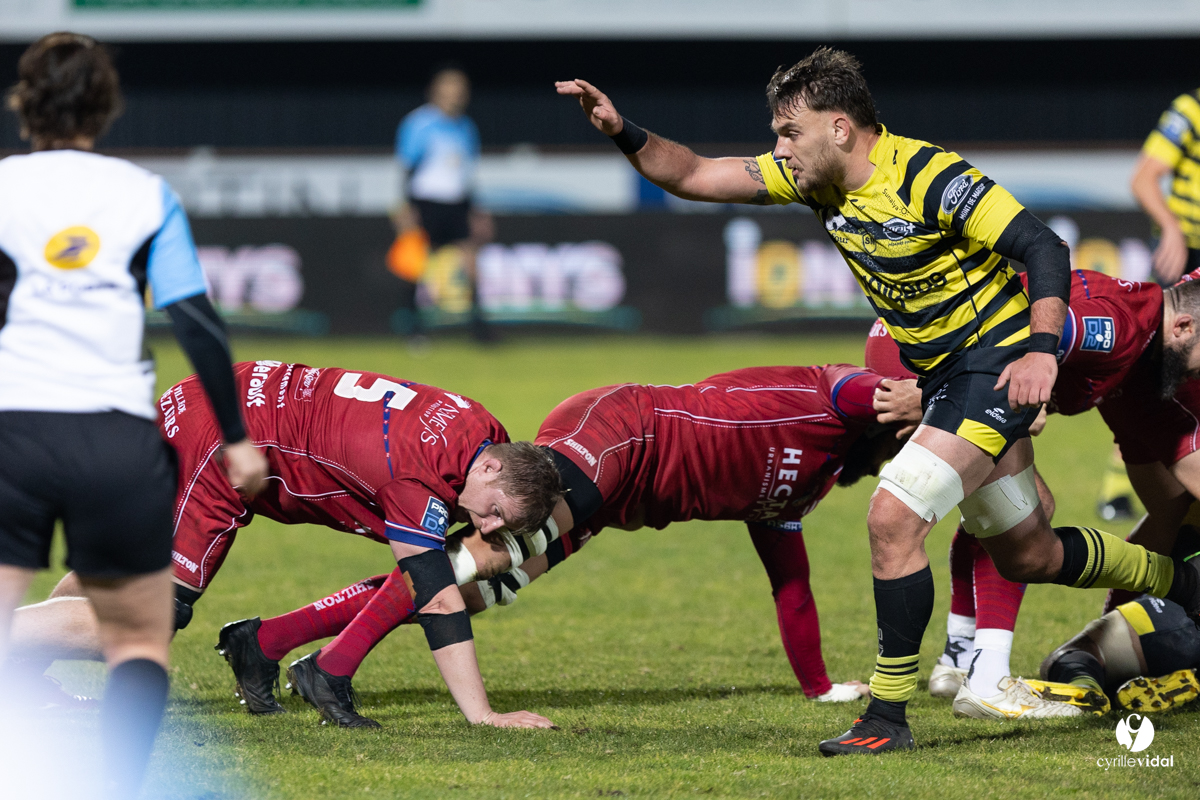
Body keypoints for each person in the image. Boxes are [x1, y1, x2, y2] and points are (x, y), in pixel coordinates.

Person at [556, 47, 1200, 756]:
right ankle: (1177, 580)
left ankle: (886, 716)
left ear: (838, 128)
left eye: (788, 132)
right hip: (946, 379)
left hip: (989, 367)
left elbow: (1042, 245)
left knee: (893, 517)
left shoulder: (929, 176)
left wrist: (1042, 351)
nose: (779, 149)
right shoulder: (817, 181)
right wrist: (621, 129)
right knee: (1029, 554)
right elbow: (690, 173)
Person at [199, 363, 910, 720]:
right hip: (623, 431)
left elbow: (790, 582)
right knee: (474, 561)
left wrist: (817, 687)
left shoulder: (810, 486)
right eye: (909, 440)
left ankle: (265, 643)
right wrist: (947, 395)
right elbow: (859, 385)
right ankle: (328, 669)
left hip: (615, 501)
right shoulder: (834, 402)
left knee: (474, 592)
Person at [0, 33, 268, 799]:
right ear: (106, 106)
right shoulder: (143, 194)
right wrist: (239, 440)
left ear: (24, 104)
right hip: (114, 435)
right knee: (138, 636)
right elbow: (195, 322)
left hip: (15, 425)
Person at [9, 360, 562, 730]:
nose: (486, 529)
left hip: (219, 394)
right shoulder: (416, 482)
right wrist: (483, 715)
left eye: (499, 526)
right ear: (490, 467)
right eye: (492, 514)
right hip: (221, 441)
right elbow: (437, 599)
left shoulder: (481, 429)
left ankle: (20, 685)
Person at [868, 266, 1200, 718]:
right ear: (1183, 327)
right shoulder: (1124, 328)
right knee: (1023, 523)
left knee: (1018, 533)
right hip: (927, 357)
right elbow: (1042, 327)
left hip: (944, 351)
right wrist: (933, 393)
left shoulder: (1146, 371)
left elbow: (1170, 507)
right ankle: (981, 680)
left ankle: (960, 655)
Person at [1040, 521, 1200, 714]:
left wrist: (1112, 609)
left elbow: (1158, 526)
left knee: (1076, 656)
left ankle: (1087, 691)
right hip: (1183, 611)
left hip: (1177, 617)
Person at [394, 67, 494, 342]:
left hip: (457, 203)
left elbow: (466, 173)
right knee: (416, 265)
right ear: (436, 91)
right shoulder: (419, 124)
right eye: (450, 89)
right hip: (426, 202)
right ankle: (412, 328)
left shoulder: (466, 127)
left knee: (471, 261)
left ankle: (479, 328)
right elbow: (407, 168)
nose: (456, 95)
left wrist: (476, 210)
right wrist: (405, 206)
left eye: (460, 90)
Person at [1131, 89, 1200, 285]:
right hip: (1185, 251)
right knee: (1164, 313)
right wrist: (1171, 228)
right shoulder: (1191, 110)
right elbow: (1143, 180)